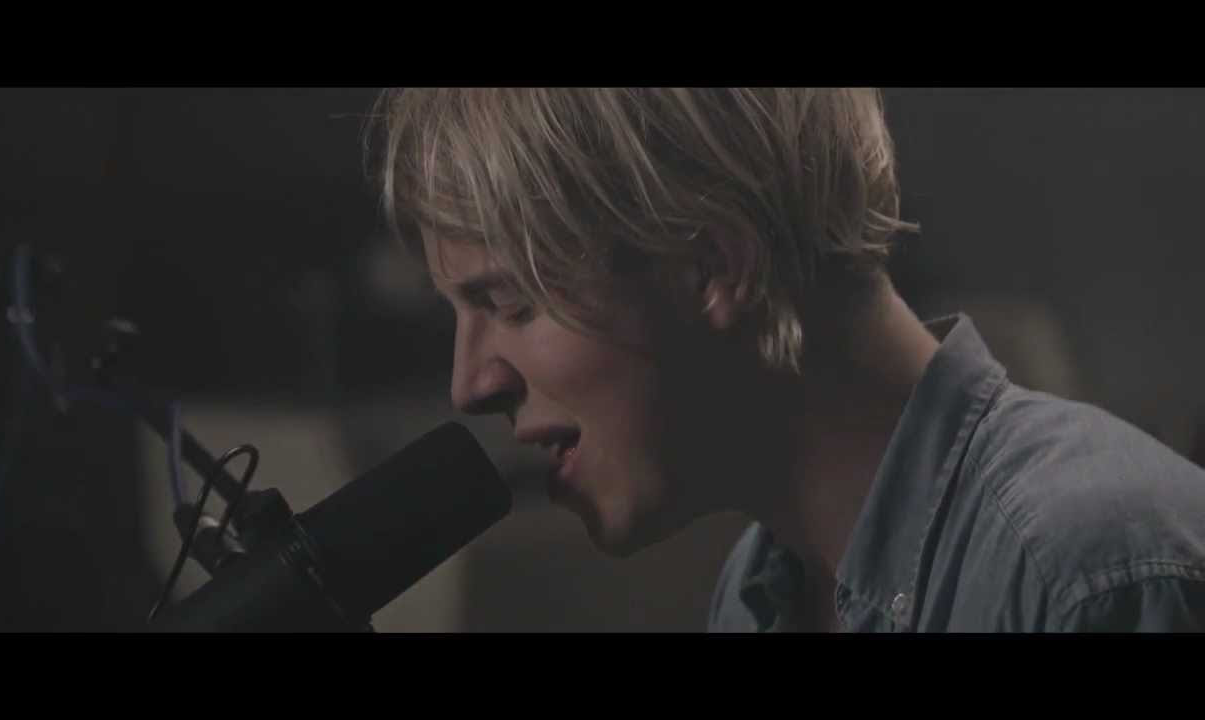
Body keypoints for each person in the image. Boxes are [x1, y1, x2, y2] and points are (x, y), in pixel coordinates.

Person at [365, 88, 1205, 632]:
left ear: (711, 268)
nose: (470, 384)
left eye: (510, 304)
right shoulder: (756, 591)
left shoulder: (1092, 574)